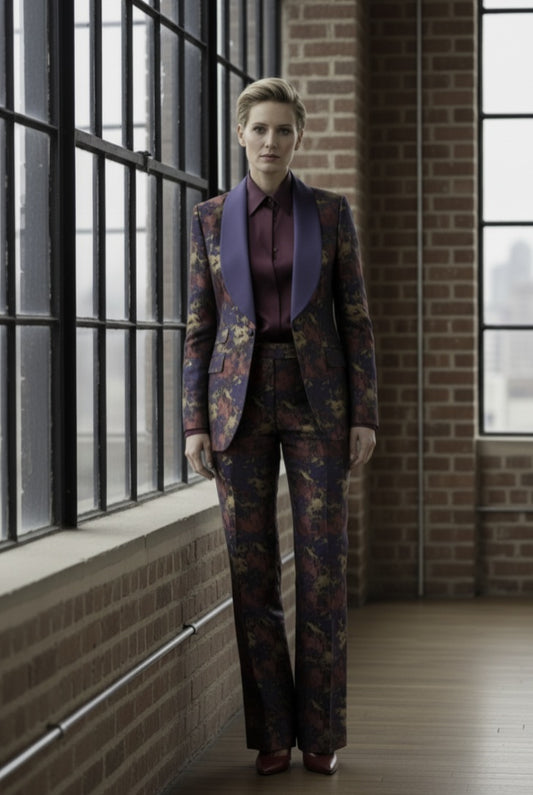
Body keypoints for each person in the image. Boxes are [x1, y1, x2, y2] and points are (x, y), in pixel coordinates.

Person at [182, 77, 378, 777]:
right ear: (241, 134)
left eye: (283, 130)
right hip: (236, 409)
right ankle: (270, 730)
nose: (270, 141)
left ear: (299, 137)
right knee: (251, 572)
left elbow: (354, 320)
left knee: (323, 572)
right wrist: (193, 423)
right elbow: (199, 327)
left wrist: (364, 413)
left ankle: (320, 731)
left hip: (317, 404)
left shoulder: (329, 213)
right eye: (259, 129)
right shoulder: (209, 218)